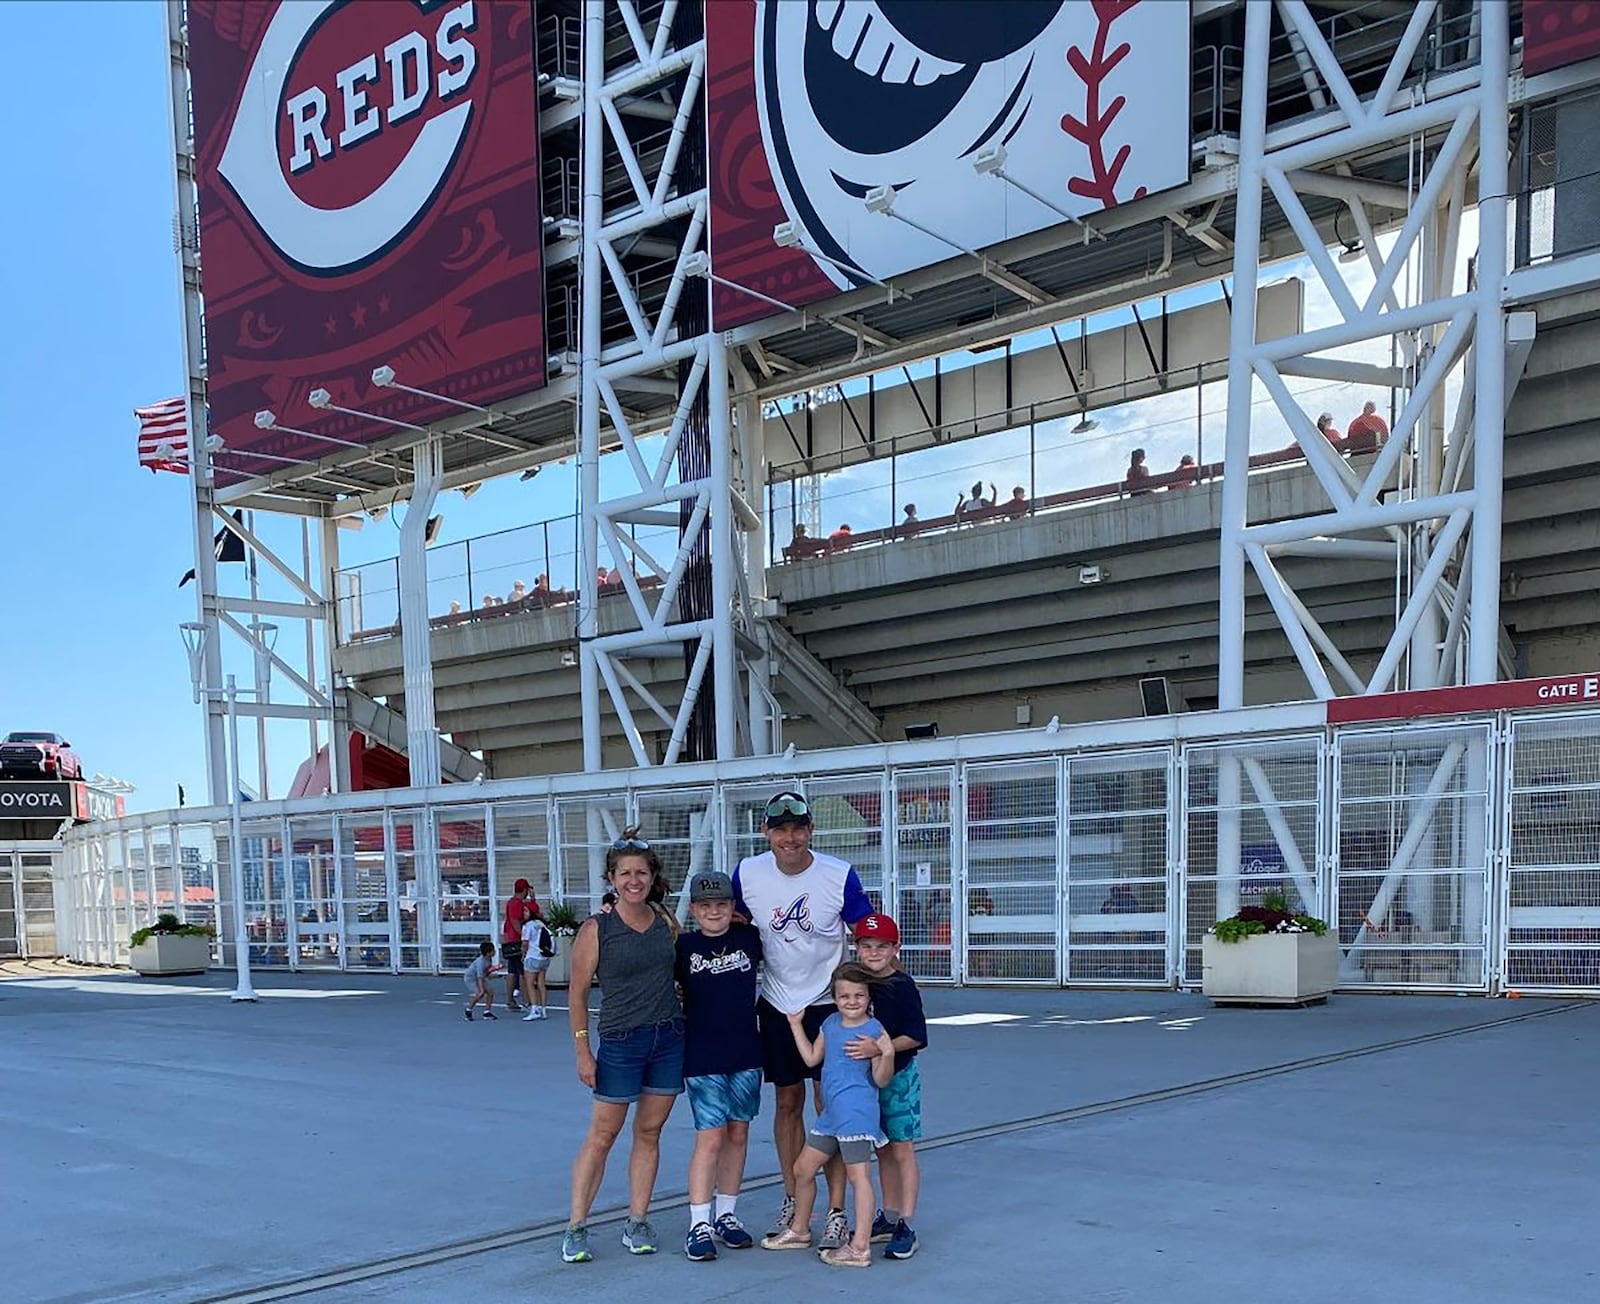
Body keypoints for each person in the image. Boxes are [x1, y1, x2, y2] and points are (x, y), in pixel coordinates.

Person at [733, 791, 874, 1251]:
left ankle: (836, 1210)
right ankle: (795, 1200)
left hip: (826, 1004)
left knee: (830, 1102)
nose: (789, 838)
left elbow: (868, 936)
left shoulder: (837, 875)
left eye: (797, 828)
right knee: (787, 1102)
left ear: (810, 830)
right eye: (780, 829)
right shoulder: (748, 874)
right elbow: (726, 927)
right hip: (778, 1003)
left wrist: (882, 1006)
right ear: (767, 833)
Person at [562, 831, 683, 1264]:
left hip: (668, 1040)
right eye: (625, 873)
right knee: (602, 1136)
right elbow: (577, 995)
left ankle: (638, 1221)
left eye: (642, 873)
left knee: (649, 1133)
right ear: (612, 878)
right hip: (620, 1043)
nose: (634, 880)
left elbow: (687, 967)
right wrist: (582, 1051)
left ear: (653, 877)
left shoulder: (665, 919)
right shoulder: (597, 929)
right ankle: (576, 1226)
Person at [760, 962, 894, 1268]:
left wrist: (883, 1052)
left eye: (859, 995)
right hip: (831, 1116)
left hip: (856, 1115)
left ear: (868, 997)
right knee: (802, 1170)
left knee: (858, 1177)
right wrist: (795, 1024)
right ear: (835, 998)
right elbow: (810, 1058)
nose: (852, 1001)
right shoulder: (831, 1024)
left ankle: (859, 1246)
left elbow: (882, 1079)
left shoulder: (874, 1030)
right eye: (844, 995)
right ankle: (799, 1230)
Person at [675, 870, 764, 1262]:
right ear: (694, 909)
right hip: (703, 1054)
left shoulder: (750, 938)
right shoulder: (683, 947)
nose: (714, 911)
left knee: (738, 1134)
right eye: (706, 905)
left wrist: (750, 920)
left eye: (722, 904)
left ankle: (727, 1214)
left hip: (745, 1051)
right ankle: (699, 1221)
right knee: (710, 1137)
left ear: (733, 908)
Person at [850, 913, 927, 1261]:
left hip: (898, 1078)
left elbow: (916, 1036)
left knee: (902, 1148)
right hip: (866, 1082)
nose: (874, 952)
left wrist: (880, 1048)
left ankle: (906, 1224)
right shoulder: (857, 984)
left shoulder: (902, 986)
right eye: (867, 946)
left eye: (882, 946)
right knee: (881, 1149)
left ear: (896, 948)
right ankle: (889, 1213)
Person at [502, 878, 540, 1013]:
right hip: (517, 941)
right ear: (524, 890)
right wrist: (524, 936)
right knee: (524, 972)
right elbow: (516, 921)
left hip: (509, 940)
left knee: (512, 971)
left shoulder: (511, 903)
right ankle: (527, 1001)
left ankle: (510, 1000)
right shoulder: (517, 904)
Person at [521, 909, 555, 1021]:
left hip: (532, 956)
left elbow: (525, 943)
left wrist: (523, 953)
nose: (523, 914)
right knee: (541, 984)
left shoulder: (527, 926)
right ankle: (543, 1009)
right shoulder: (541, 924)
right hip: (544, 957)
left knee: (529, 984)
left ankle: (534, 1009)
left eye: (526, 912)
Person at [462, 941, 499, 1021]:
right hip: (471, 978)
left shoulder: (489, 959)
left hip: (479, 977)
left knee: (490, 992)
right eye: (493, 950)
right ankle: (468, 1010)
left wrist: (494, 969)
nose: (495, 952)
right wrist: (482, 989)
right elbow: (480, 977)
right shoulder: (480, 962)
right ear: (488, 952)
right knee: (480, 993)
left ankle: (487, 1012)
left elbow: (485, 972)